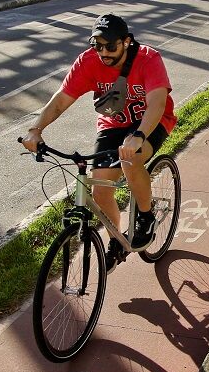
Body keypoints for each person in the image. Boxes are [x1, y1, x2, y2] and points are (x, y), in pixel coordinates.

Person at [21, 14, 177, 270]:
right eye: (97, 45)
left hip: (151, 121)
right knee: (101, 190)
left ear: (126, 42)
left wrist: (138, 135)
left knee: (130, 158)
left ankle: (146, 217)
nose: (103, 52)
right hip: (113, 124)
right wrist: (36, 129)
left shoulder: (148, 59)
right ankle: (116, 238)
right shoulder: (88, 62)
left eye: (110, 46)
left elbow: (157, 103)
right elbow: (61, 99)